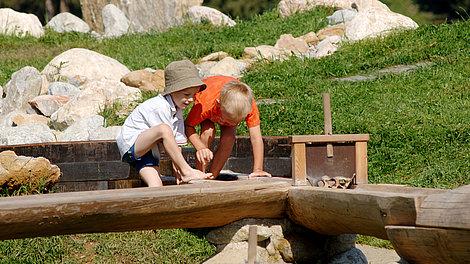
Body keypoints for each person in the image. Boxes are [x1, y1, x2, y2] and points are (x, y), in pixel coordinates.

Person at [116, 60, 212, 187]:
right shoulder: (159, 107)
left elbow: (176, 146)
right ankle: (187, 170)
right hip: (132, 144)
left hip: (147, 154)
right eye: (186, 94)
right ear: (172, 91)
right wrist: (185, 170)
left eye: (193, 95)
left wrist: (179, 173)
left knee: (156, 185)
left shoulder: (177, 110)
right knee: (164, 129)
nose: (190, 99)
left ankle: (149, 206)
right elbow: (165, 136)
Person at [185, 75, 272, 179]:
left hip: (224, 103)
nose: (230, 123)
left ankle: (213, 175)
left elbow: (256, 138)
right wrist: (201, 147)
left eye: (236, 122)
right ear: (219, 105)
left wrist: (258, 169)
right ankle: (200, 173)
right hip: (209, 95)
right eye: (229, 120)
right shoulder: (205, 104)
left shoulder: (249, 106)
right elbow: (188, 125)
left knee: (229, 138)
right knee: (208, 132)